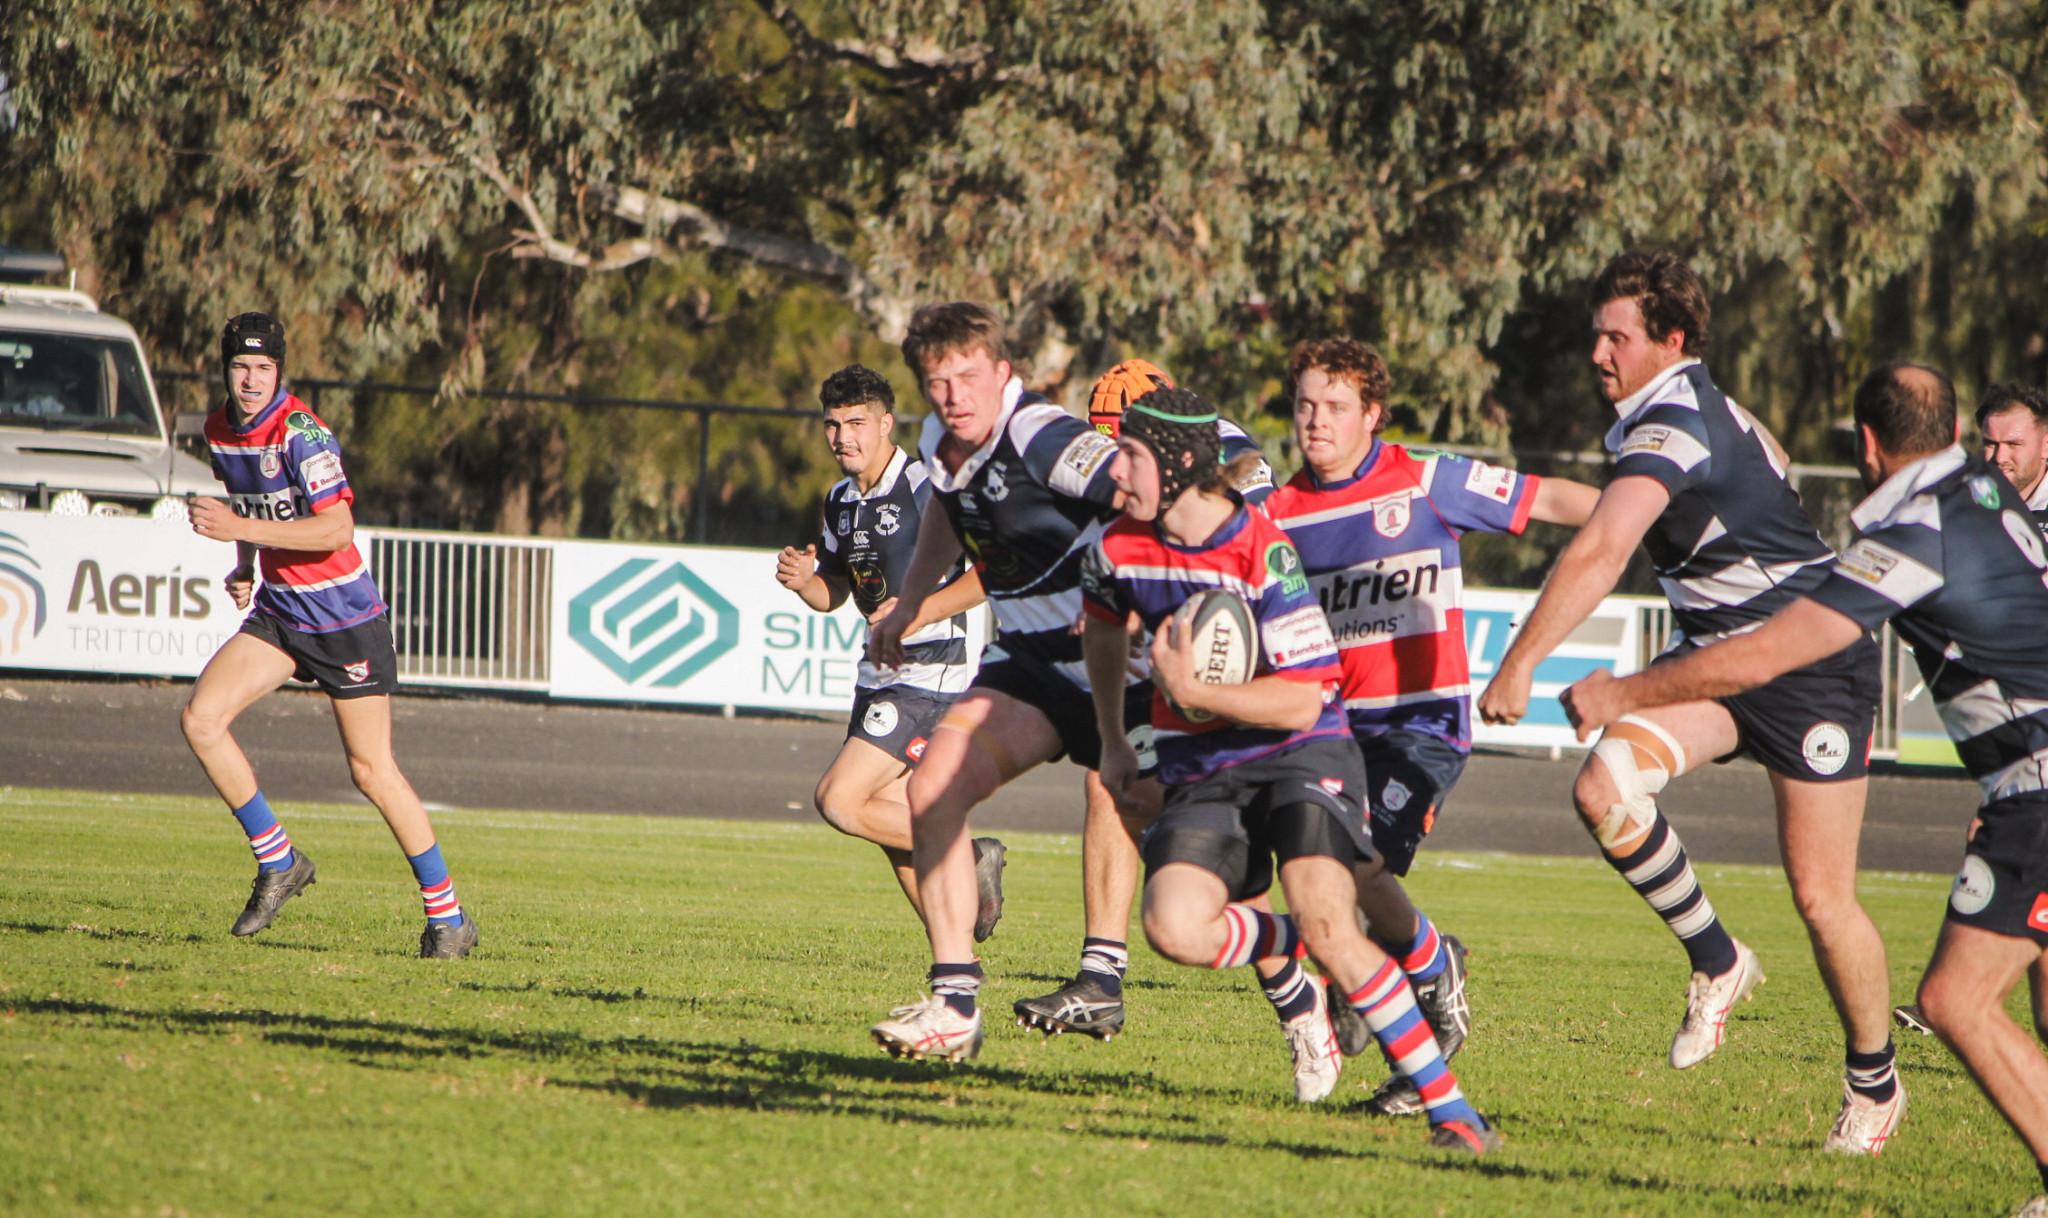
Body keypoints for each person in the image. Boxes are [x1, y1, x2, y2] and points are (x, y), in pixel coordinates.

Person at [1562, 364, 2048, 1209]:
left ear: (1865, 445)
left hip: (2038, 786)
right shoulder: (1987, 490)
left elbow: (1765, 653)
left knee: (1953, 1000)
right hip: (2024, 788)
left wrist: (1622, 694)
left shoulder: (1912, 533)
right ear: (1958, 432)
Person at [1475, 251, 1897, 1154]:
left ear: (1670, 339)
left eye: (1616, 335)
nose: (1598, 351)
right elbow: (1765, 473)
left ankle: (1874, 1084)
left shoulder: (1671, 418)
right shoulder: (1692, 408)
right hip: (1718, 658)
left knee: (1823, 901)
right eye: (1595, 333)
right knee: (1604, 790)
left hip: (1809, 667)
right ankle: (1719, 962)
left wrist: (1518, 663)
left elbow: (1602, 550)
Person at [1082, 386, 1497, 1153]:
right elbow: (1104, 630)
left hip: (1303, 752)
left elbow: (1305, 702)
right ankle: (1288, 940)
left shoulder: (1261, 550)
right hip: (1204, 768)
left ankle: (1453, 1113)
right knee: (1173, 928)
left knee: (1332, 921)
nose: (1116, 471)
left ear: (1174, 466)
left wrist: (1198, 691)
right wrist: (1112, 738)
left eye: (1131, 455)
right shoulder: (1116, 545)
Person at [1264, 336, 1601, 1113]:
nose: (1316, 422)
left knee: (1353, 860)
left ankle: (1413, 974)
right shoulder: (1278, 514)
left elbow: (1553, 501)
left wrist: (1644, 518)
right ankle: (1422, 969)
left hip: (1422, 726)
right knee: (1323, 873)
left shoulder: (1423, 480)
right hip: (1330, 731)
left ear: (1372, 415)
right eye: (1306, 406)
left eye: (1336, 407)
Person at [864, 303, 1162, 1059]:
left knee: (1203, 872)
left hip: (1121, 666)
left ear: (1005, 374)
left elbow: (1139, 495)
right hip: (1032, 664)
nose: (954, 395)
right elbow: (947, 510)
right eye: (938, 382)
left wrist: (1142, 604)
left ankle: (1305, 998)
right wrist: (912, 606)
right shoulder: (940, 439)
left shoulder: (1043, 435)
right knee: (931, 788)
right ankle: (955, 1003)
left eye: (969, 377)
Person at [181, 312, 477, 959]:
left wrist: (239, 532)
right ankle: (279, 860)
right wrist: (243, 568)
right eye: (240, 367)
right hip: (284, 614)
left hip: (344, 620)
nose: (251, 379)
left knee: (372, 771)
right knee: (202, 719)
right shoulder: (220, 432)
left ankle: (449, 917)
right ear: (225, 370)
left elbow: (335, 531)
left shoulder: (302, 434)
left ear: (279, 372)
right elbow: (253, 512)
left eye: (262, 368)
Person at [774, 365, 1003, 930]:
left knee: (840, 801)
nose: (842, 437)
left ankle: (972, 856)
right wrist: (807, 581)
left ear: (885, 424)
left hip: (937, 671)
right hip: (882, 673)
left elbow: (993, 570)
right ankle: (957, 968)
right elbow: (835, 592)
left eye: (856, 422)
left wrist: (916, 613)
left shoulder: (930, 486)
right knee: (894, 825)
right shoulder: (840, 500)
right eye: (832, 424)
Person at [1979, 382, 2048, 536]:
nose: (1999, 457)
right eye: (1990, 444)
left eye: (2013, 444)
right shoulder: (1964, 504)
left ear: (2046, 447)